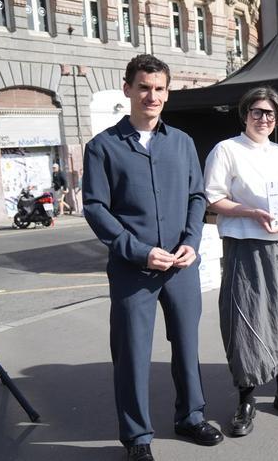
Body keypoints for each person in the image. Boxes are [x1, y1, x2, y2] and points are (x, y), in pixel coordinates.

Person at [82, 54, 223, 461]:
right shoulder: (103, 147)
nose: (152, 95)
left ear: (167, 92)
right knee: (131, 354)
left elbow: (197, 196)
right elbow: (95, 208)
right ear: (127, 89)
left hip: (181, 265)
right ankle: (136, 436)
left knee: (187, 344)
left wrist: (192, 241)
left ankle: (191, 416)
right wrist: (138, 252)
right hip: (133, 270)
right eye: (144, 87)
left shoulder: (181, 142)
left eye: (159, 88)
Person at [203, 87, 278, 437]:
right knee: (249, 315)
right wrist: (251, 212)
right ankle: (246, 398)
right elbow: (214, 198)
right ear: (245, 114)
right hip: (247, 243)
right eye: (257, 112)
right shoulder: (226, 150)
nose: (264, 119)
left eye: (270, 114)